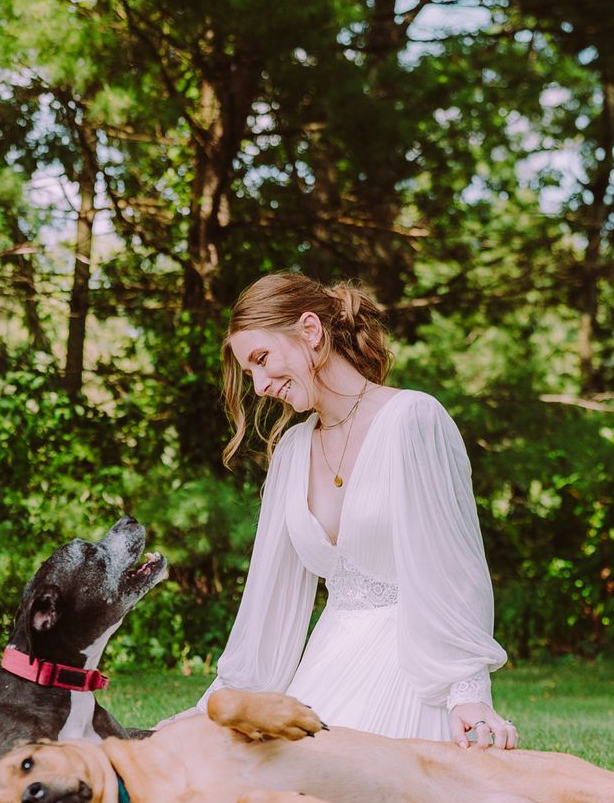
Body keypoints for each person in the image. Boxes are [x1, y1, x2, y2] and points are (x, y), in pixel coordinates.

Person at [166, 271, 516, 749]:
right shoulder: (291, 450)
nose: (262, 386)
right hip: (324, 670)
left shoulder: (413, 418)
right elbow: (269, 599)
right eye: (251, 374)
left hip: (412, 673)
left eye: (263, 360)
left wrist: (467, 692)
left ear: (311, 331)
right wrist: (224, 700)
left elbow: (453, 570)